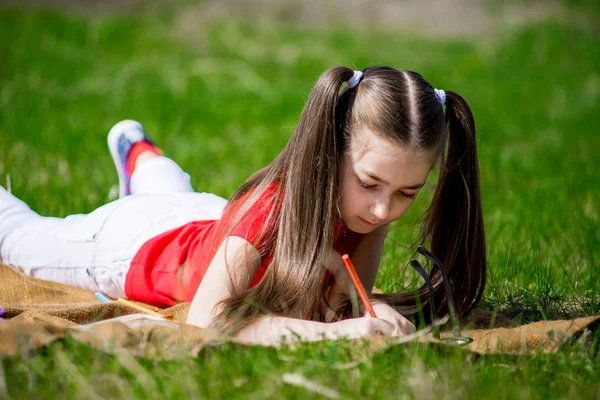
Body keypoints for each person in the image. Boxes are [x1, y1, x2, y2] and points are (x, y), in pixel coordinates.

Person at [0, 66, 487, 345]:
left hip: (204, 218)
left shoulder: (363, 202)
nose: (383, 211)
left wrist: (370, 310)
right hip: (130, 249)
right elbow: (207, 323)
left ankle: (140, 155)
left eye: (408, 193)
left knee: (175, 196)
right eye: (371, 183)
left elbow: (347, 303)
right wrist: (346, 334)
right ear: (332, 149)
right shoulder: (269, 213)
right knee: (17, 235)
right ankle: (140, 164)